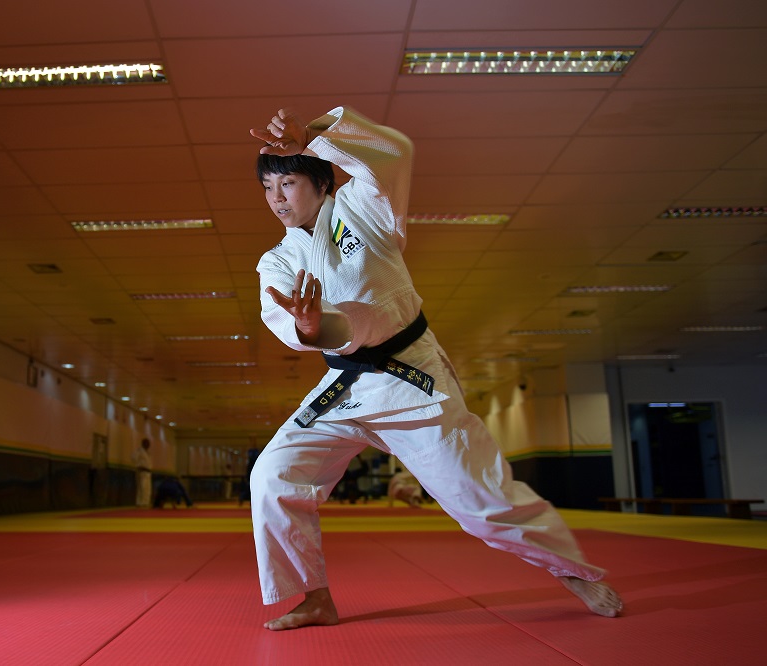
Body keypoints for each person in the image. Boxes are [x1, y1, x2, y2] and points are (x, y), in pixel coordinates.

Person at [248, 106, 623, 631]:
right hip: (345, 386)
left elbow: (393, 154)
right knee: (272, 475)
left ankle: (573, 571)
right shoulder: (278, 261)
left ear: (319, 178)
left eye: (287, 182)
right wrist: (310, 327)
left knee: (482, 505)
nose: (277, 199)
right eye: (268, 189)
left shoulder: (363, 207)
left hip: (409, 379)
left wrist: (312, 135)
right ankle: (314, 597)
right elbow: (295, 325)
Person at [133, 438, 152, 508]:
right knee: (142, 487)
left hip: (148, 471)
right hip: (141, 471)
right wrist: (138, 465)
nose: (148, 445)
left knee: (147, 488)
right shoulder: (139, 451)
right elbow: (133, 458)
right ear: (143, 443)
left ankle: (146, 502)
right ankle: (140, 502)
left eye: (148, 443)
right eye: (146, 443)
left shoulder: (148, 452)